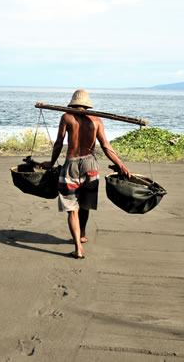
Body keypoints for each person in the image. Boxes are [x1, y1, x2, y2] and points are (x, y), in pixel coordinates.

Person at [41, 89, 131, 259]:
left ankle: (78, 247)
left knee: (71, 209)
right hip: (90, 165)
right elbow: (105, 146)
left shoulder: (66, 117)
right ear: (87, 105)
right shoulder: (96, 120)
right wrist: (121, 164)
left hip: (71, 165)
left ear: (73, 103)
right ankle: (82, 234)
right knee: (85, 204)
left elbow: (59, 143)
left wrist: (51, 162)